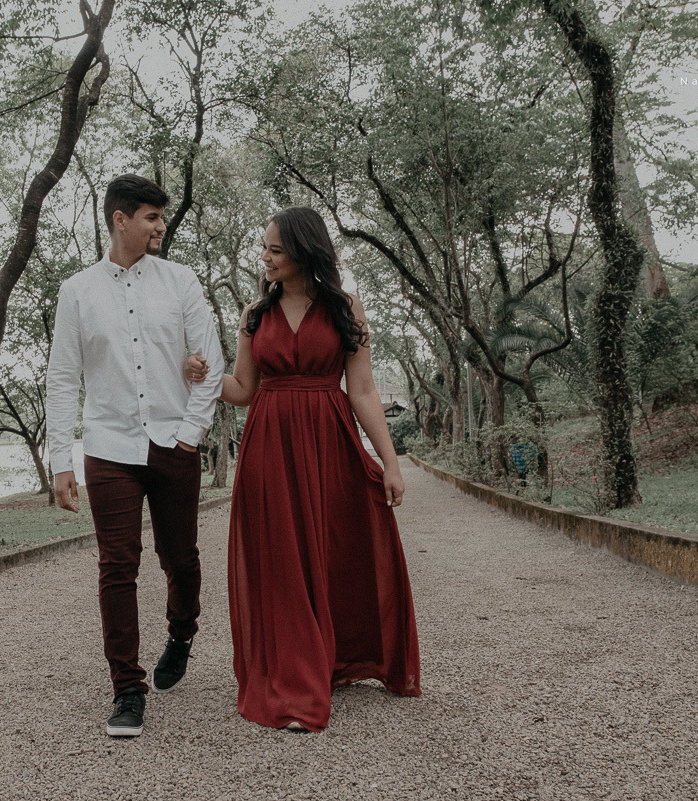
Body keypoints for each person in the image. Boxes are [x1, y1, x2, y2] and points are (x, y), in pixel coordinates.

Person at [186, 206, 420, 732]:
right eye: (263, 249)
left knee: (336, 549)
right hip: (269, 446)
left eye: (275, 250)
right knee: (281, 560)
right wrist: (200, 375)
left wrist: (389, 463)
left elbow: (362, 389)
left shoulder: (345, 306)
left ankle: (336, 657)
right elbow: (243, 390)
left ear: (303, 252)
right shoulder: (254, 314)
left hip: (330, 441)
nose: (264, 258)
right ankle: (294, 683)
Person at [45, 174, 224, 738]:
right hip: (109, 448)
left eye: (162, 217)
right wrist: (60, 459)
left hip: (174, 442)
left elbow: (211, 361)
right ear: (120, 219)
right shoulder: (77, 292)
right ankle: (127, 688)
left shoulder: (180, 281)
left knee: (181, 558)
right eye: (152, 216)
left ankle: (182, 631)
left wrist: (191, 432)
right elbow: (62, 378)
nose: (160, 226)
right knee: (117, 566)